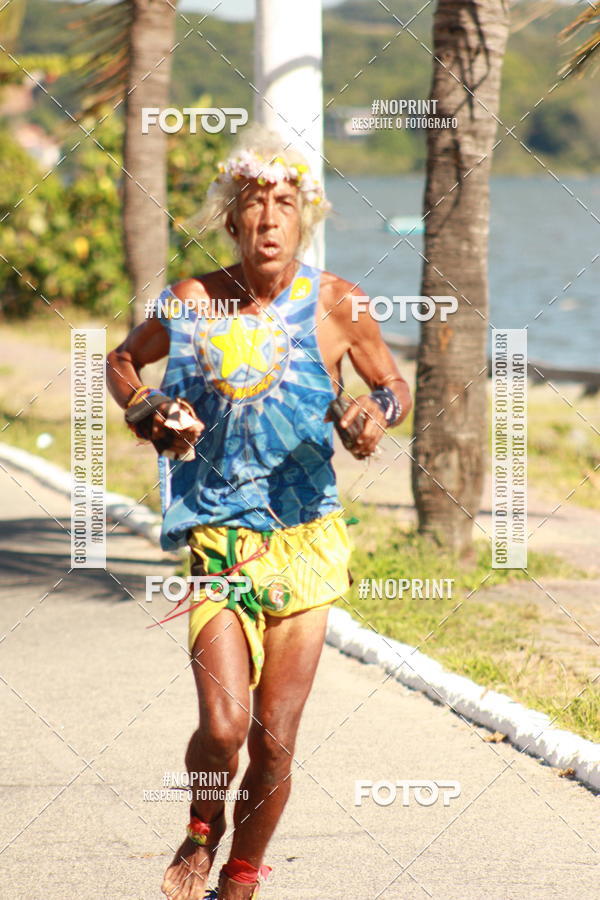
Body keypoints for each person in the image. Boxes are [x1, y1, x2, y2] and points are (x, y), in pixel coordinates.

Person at [107, 126, 412, 900]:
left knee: (275, 741)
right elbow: (120, 362)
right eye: (253, 204)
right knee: (225, 726)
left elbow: (393, 388)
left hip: (307, 541)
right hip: (220, 538)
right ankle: (202, 825)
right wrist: (149, 409)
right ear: (233, 219)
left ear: (303, 216)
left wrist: (372, 414)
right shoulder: (189, 302)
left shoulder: (339, 304)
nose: (269, 219)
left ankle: (241, 880)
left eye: (283, 204)